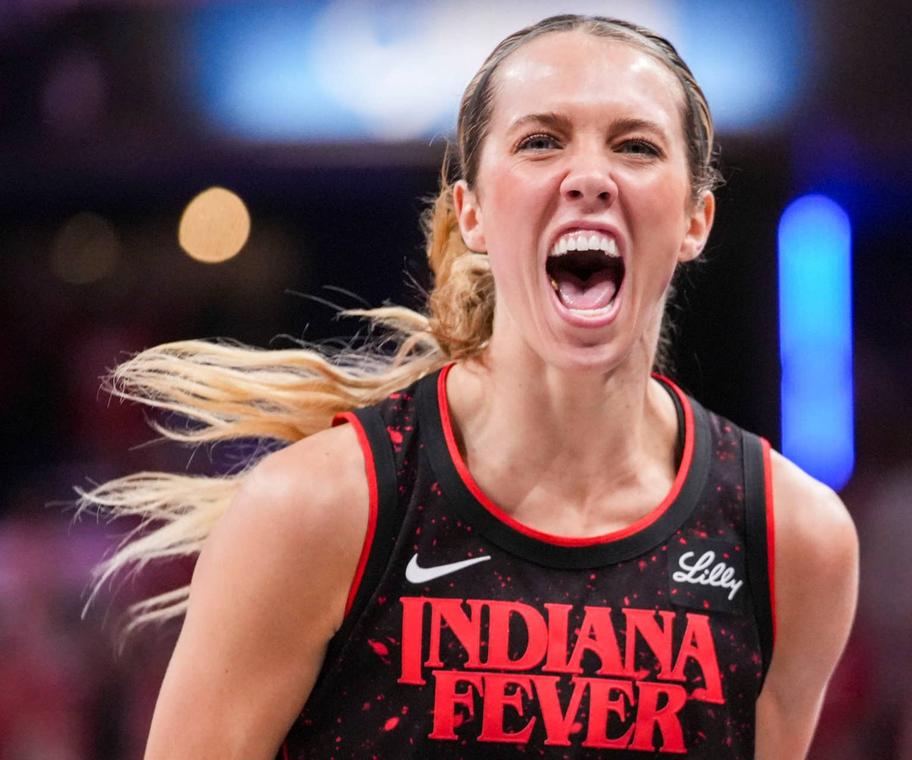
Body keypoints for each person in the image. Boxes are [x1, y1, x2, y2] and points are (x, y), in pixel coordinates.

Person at [84, 14, 857, 759]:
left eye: (636, 146)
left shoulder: (792, 542)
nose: (590, 177)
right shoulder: (317, 511)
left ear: (696, 220)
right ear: (473, 213)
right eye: (541, 141)